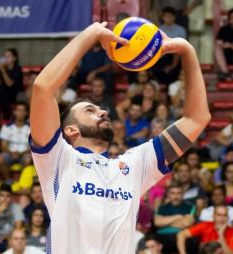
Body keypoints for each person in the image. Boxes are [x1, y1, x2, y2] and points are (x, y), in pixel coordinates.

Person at [29, 22, 211, 253]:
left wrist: (187, 50)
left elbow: (197, 119)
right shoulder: (57, 159)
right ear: (71, 130)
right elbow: (43, 88)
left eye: (100, 109)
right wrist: (92, 34)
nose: (103, 112)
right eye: (90, 111)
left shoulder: (133, 165)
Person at [154, 182, 196, 253]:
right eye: (172, 193)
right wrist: (178, 217)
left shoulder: (190, 207)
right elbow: (157, 222)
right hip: (163, 237)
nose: (175, 196)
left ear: (183, 194)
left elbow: (186, 223)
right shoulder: (161, 208)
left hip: (182, 237)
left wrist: (165, 221)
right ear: (168, 194)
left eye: (178, 193)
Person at [0, 183, 25, 253]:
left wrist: (8, 236)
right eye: (2, 196)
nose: (5, 199)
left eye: (8, 196)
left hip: (9, 238)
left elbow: (18, 228)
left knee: (14, 237)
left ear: (11, 197)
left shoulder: (16, 207)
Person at [0, 102, 31, 180]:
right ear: (14, 112)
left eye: (23, 110)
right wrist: (11, 153)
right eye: (18, 110)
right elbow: (3, 145)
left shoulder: (31, 127)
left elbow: (33, 146)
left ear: (26, 113)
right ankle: (9, 180)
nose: (21, 113)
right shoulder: (6, 127)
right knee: (0, 158)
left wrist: (21, 153)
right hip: (9, 153)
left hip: (25, 154)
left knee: (28, 159)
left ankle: (21, 180)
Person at [154, 6, 185, 85]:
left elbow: (182, 47)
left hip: (176, 56)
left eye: (170, 16)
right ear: (162, 17)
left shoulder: (181, 30)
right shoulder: (158, 29)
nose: (168, 18)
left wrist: (172, 65)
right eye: (166, 16)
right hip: (162, 56)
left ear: (174, 17)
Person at [0, 48, 24, 119]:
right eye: (5, 57)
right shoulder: (3, 69)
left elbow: (9, 84)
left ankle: (7, 117)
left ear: (14, 58)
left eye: (8, 57)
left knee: (2, 94)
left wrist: (2, 70)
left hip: (15, 93)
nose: (6, 59)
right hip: (3, 93)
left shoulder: (17, 69)